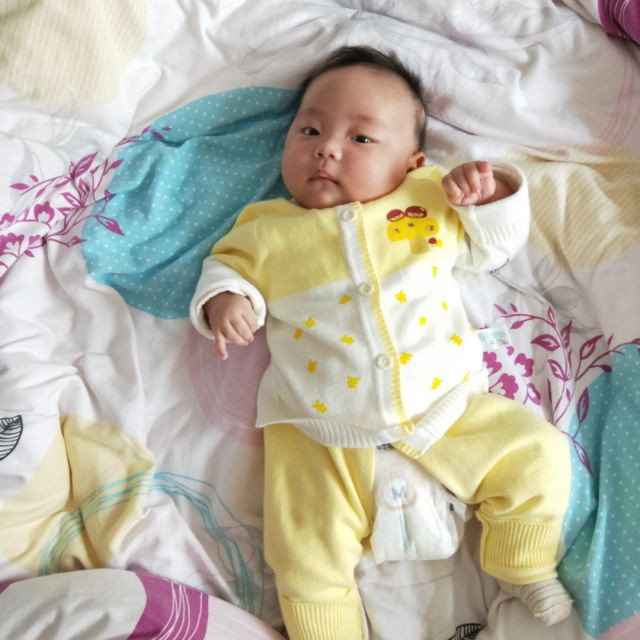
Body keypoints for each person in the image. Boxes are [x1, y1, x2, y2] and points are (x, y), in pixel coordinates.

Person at [190, 46, 572, 640]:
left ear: (411, 161)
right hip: (320, 429)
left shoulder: (428, 197)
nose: (327, 148)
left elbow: (492, 248)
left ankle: (521, 560)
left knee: (537, 452)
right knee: (301, 547)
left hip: (445, 406)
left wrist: (492, 194)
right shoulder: (266, 228)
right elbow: (226, 269)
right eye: (309, 130)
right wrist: (225, 301)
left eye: (361, 138)